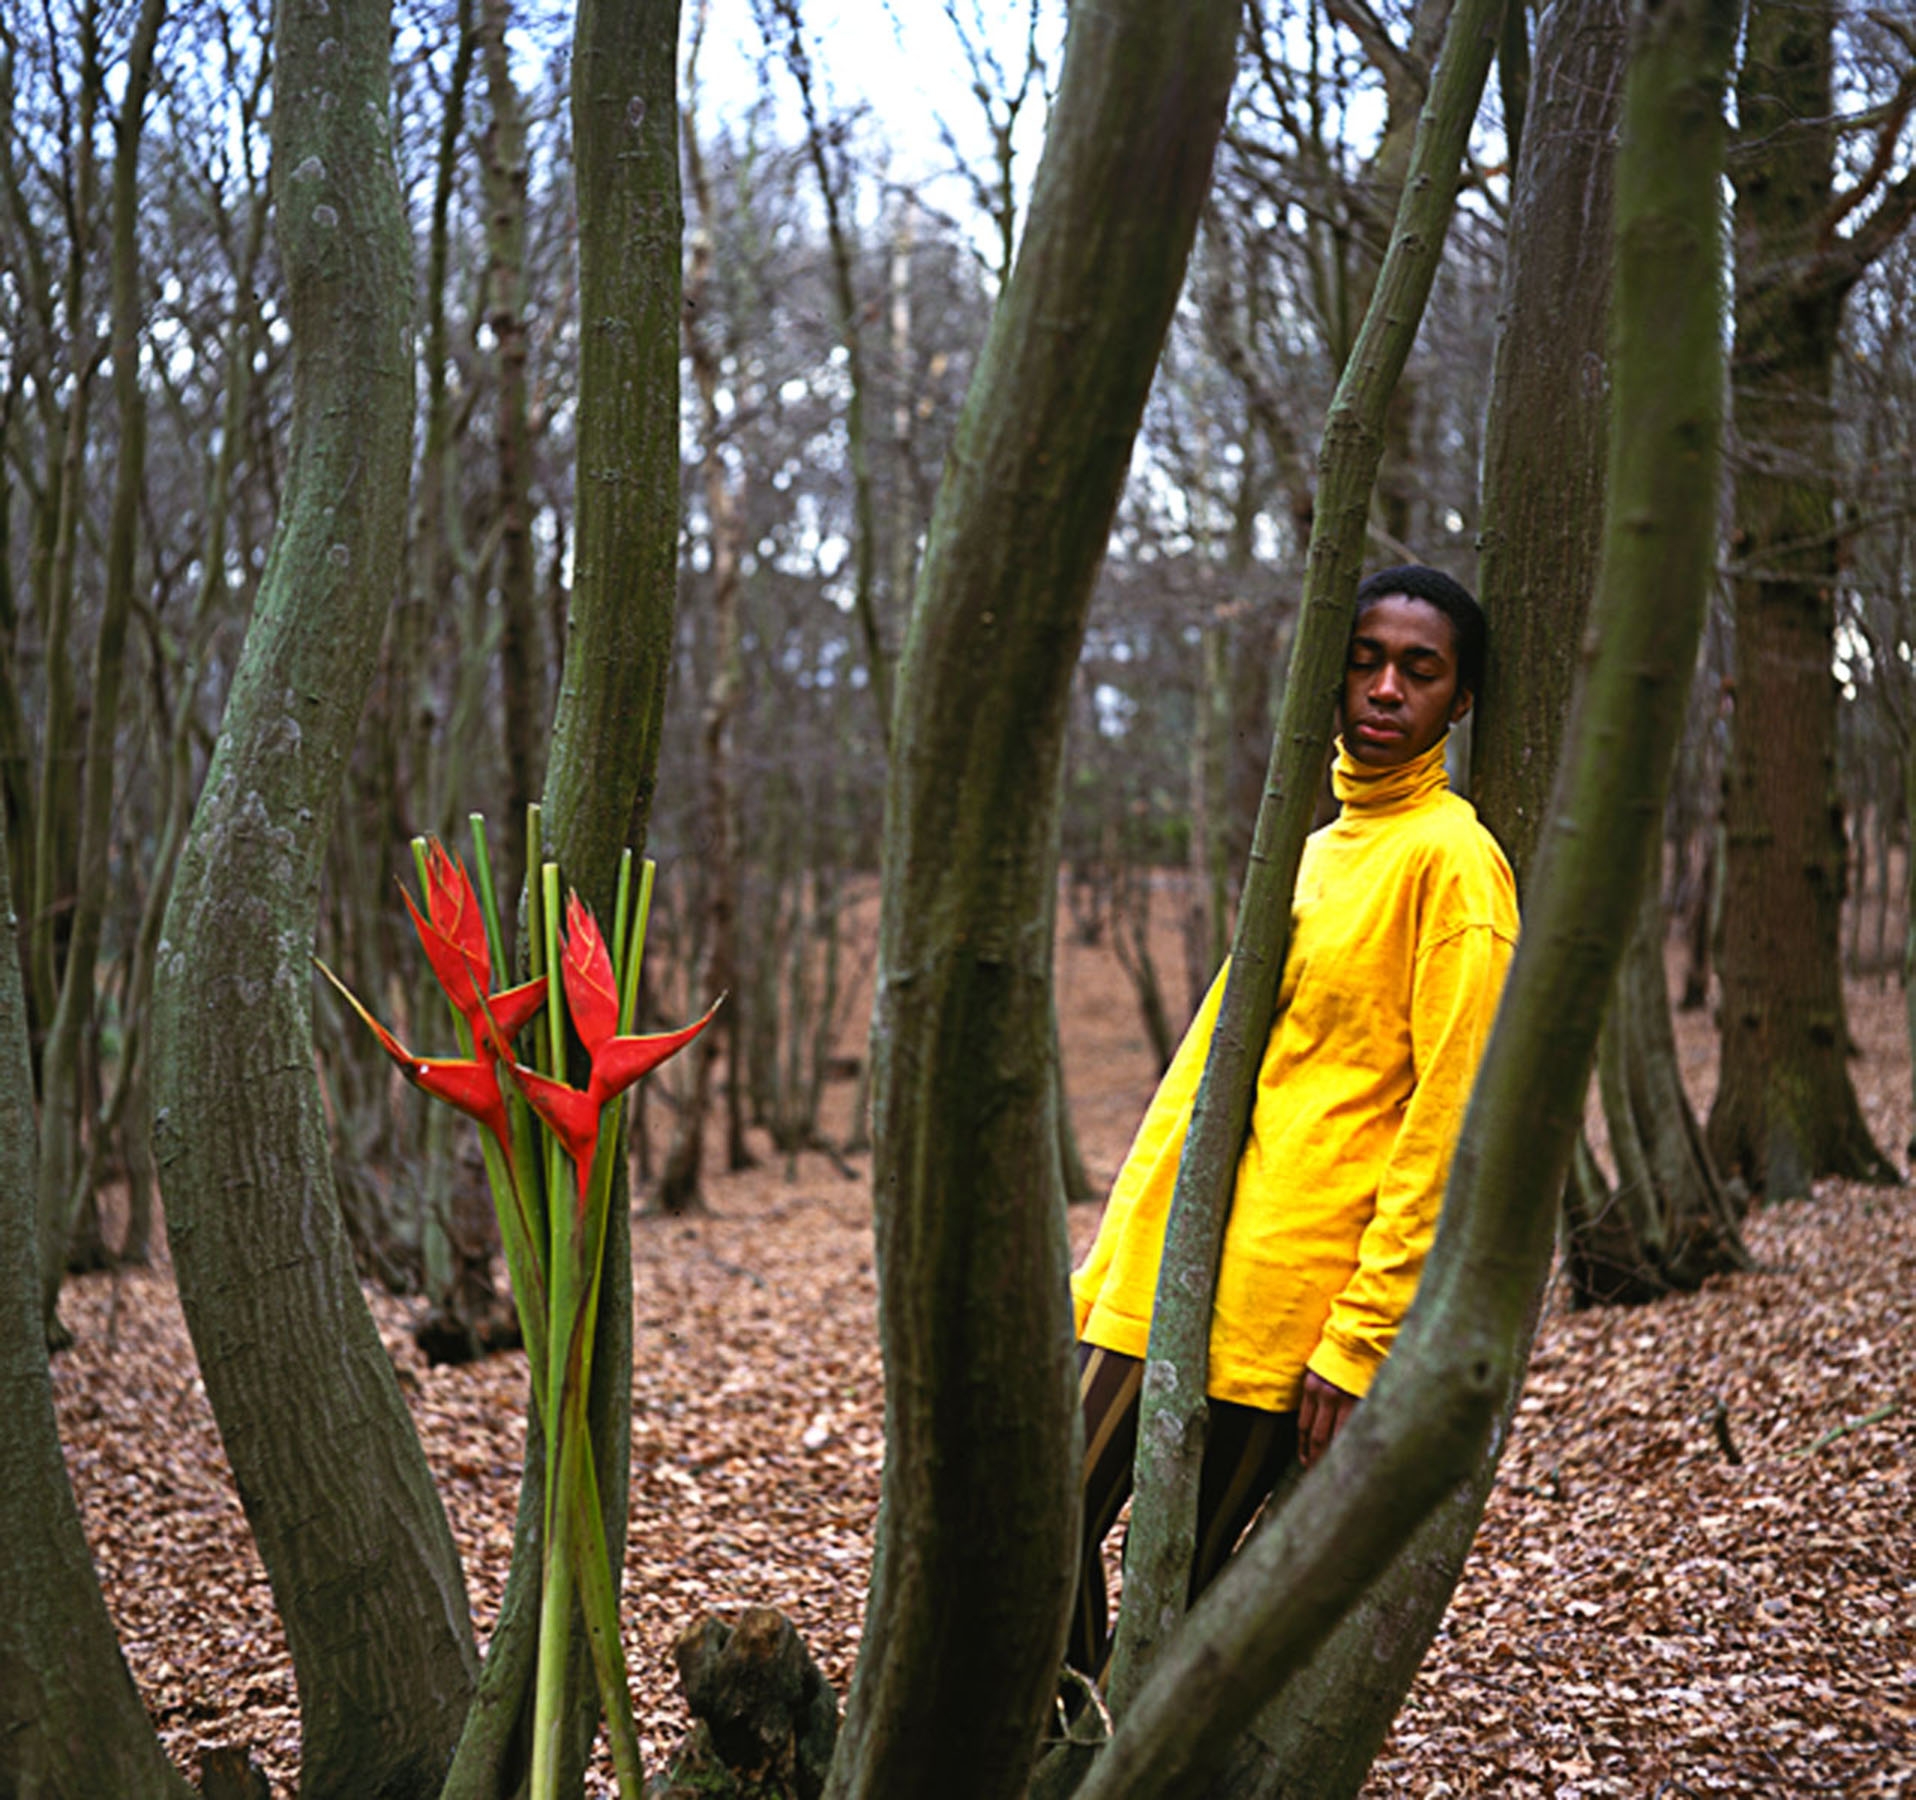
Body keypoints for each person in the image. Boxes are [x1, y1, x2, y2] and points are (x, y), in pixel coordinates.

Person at [1067, 564, 1518, 1678]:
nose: (1384, 688)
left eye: (1419, 671)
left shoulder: (1454, 865)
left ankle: (1105, 1754)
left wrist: (1363, 1335)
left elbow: (1451, 1124)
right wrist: (1115, 1256)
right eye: (1364, 662)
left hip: (1278, 1304)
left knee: (1174, 1611)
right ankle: (1059, 1746)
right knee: (1035, 1519)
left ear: (1460, 701)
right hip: (1168, 1265)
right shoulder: (1314, 848)